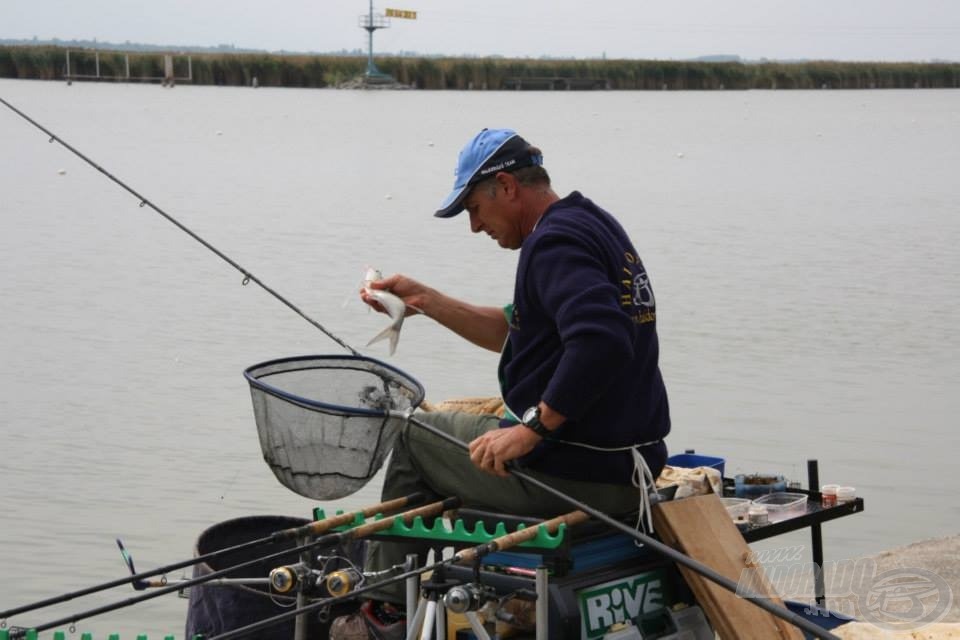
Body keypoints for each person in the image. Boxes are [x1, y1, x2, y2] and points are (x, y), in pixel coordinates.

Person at [360, 127, 670, 603]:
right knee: (463, 429)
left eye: (474, 209)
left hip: (584, 474)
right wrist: (425, 301)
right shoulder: (590, 223)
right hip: (626, 466)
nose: (475, 226)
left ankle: (381, 607)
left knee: (411, 436)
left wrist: (531, 430)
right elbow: (520, 331)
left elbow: (602, 341)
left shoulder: (553, 244)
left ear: (506, 187)